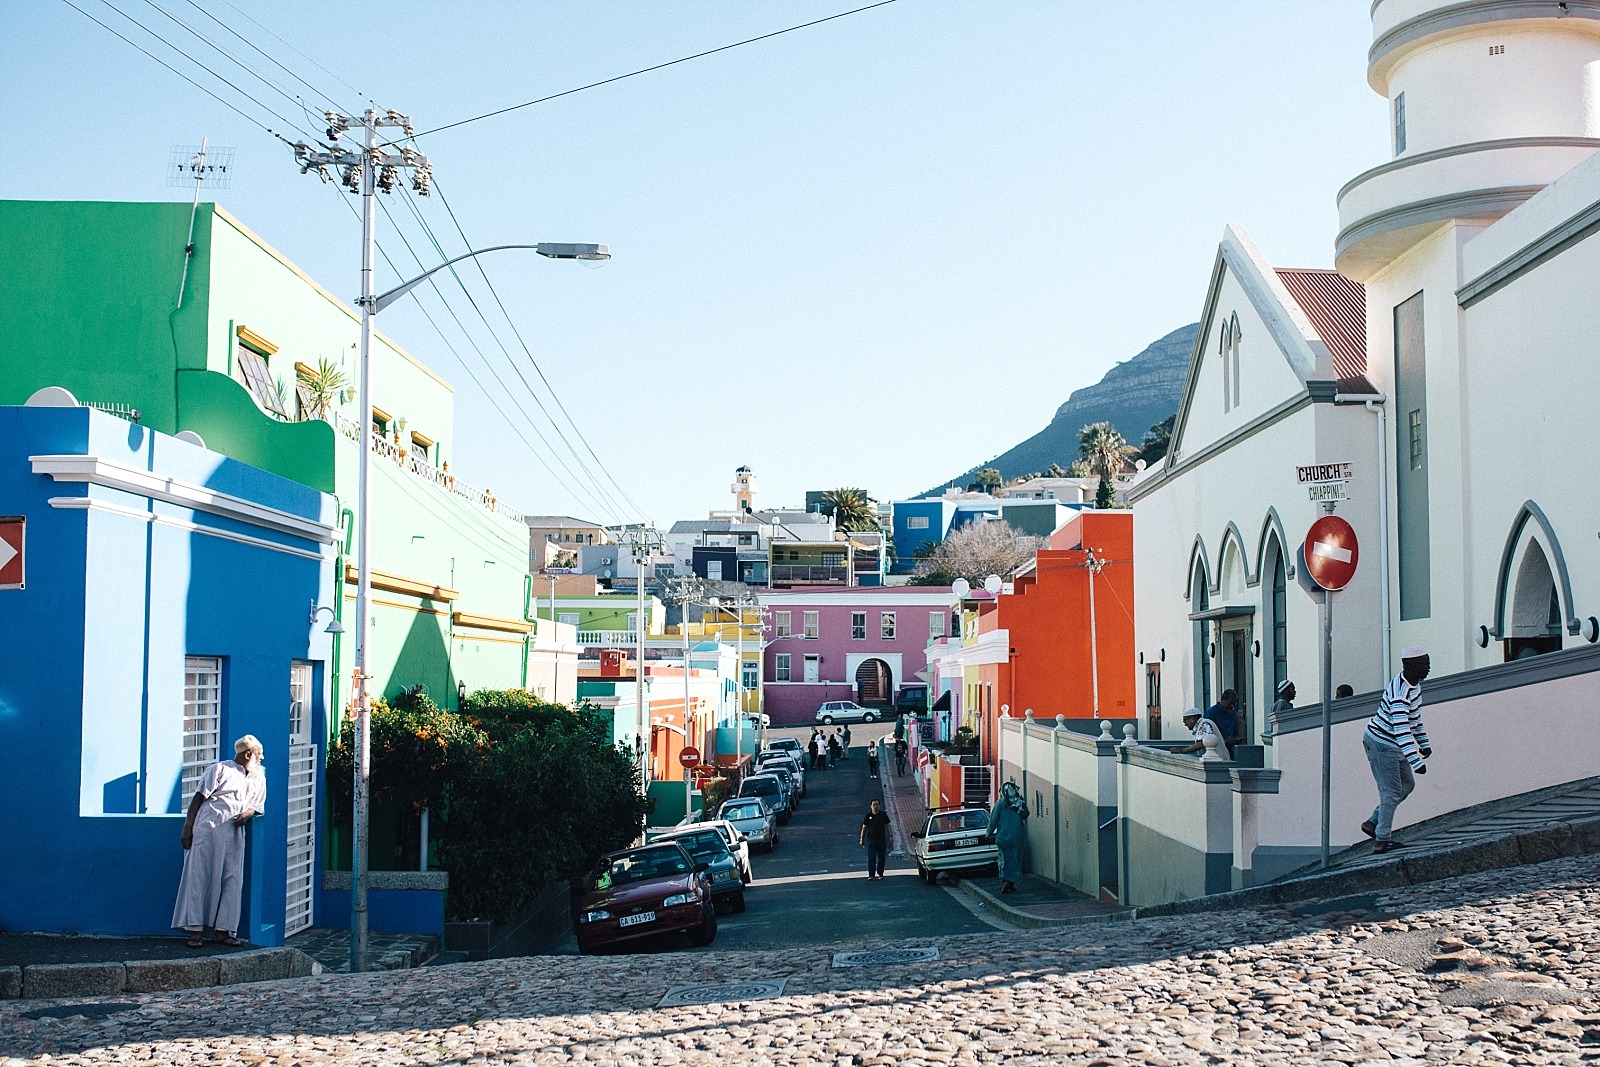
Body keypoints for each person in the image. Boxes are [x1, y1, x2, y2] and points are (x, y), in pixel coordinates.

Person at [173, 735, 266, 948]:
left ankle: (224, 931)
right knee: (199, 876)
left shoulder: (257, 778)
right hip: (207, 830)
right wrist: (188, 828)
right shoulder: (220, 769)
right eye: (258, 755)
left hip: (233, 833)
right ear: (248, 754)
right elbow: (198, 798)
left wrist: (248, 813)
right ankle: (195, 930)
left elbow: (257, 804)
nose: (261, 759)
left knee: (232, 879)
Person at [1363, 646, 1432, 854]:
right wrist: (1416, 761)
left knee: (1407, 785)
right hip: (1382, 744)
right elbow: (1401, 730)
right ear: (1412, 666)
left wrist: (1424, 743)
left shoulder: (1414, 686)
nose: (1428, 668)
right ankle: (1381, 840)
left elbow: (1414, 719)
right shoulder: (1399, 694)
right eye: (1425, 664)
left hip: (1392, 744)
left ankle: (1373, 822)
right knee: (1391, 792)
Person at [987, 781, 1029, 894]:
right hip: (1017, 838)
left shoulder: (1000, 804)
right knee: (1016, 860)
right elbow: (1026, 815)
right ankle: (1012, 883)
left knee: (1003, 859)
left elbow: (993, 820)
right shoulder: (1020, 803)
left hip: (1003, 838)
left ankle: (1005, 880)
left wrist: (988, 833)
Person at [859, 799, 891, 879]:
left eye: (877, 805)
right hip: (871, 840)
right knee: (871, 858)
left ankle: (880, 873)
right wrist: (861, 839)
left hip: (881, 840)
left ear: (879, 806)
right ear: (871, 806)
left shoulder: (883, 815)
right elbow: (864, 828)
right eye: (874, 805)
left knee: (881, 858)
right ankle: (871, 875)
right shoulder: (868, 816)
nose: (875, 806)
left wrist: (891, 836)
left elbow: (888, 826)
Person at [1204, 689, 1242, 757]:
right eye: (1230, 703)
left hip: (1230, 750)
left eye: (1234, 704)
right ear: (1223, 700)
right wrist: (1224, 741)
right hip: (1215, 751)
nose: (1232, 706)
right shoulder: (1211, 712)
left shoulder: (1233, 713)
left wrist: (1235, 738)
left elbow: (1234, 730)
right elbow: (1206, 734)